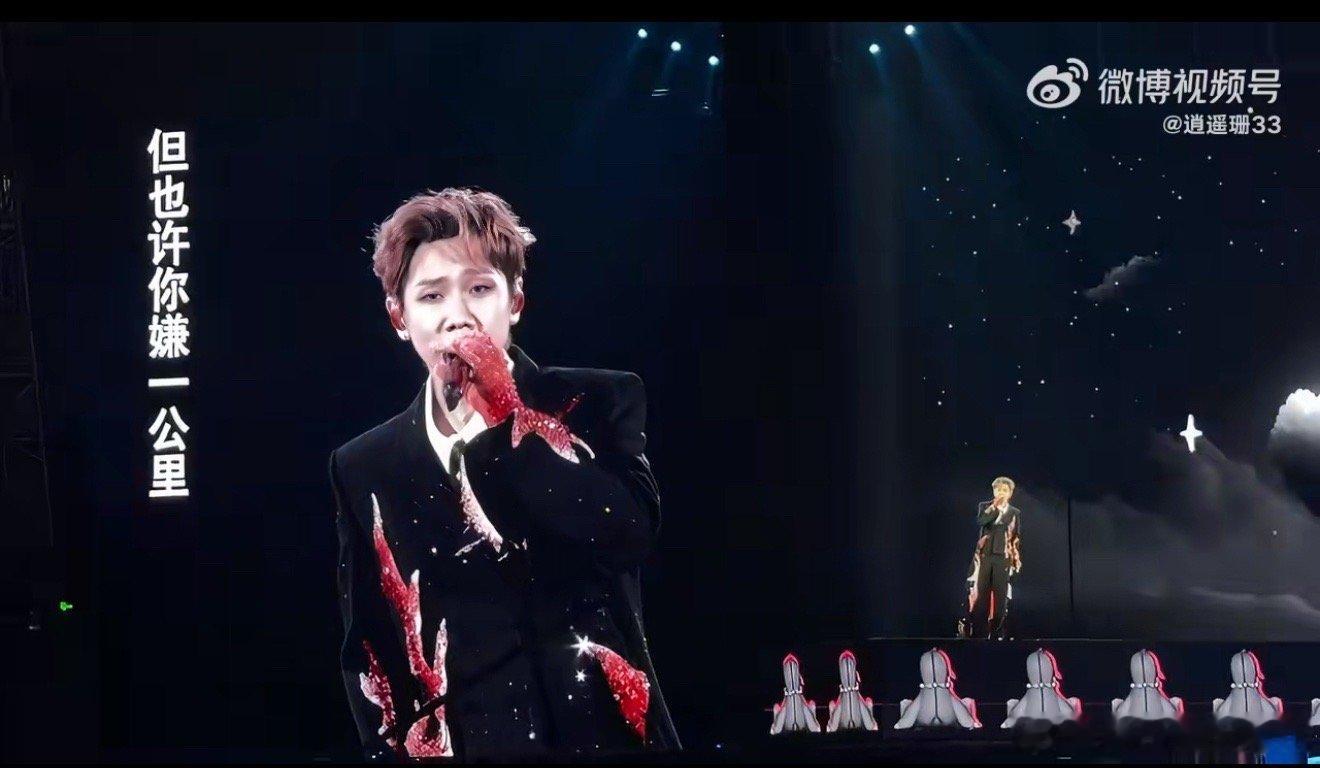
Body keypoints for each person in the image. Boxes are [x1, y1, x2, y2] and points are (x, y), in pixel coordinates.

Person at [330, 188, 679, 760]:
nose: (458, 316)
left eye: (480, 289)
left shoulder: (594, 401)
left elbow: (628, 534)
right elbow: (371, 650)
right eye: (431, 295)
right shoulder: (365, 464)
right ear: (399, 316)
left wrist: (506, 415)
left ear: (515, 300)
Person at [958, 476, 1021, 639]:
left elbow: (1015, 537)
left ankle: (996, 631)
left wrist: (1015, 558)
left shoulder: (1014, 512)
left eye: (1004, 490)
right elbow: (981, 521)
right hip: (984, 556)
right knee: (981, 596)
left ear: (1010, 493)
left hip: (1003, 558)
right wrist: (995, 507)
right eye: (998, 489)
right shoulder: (985, 507)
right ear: (994, 491)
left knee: (1001, 597)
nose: (1001, 492)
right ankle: (978, 632)